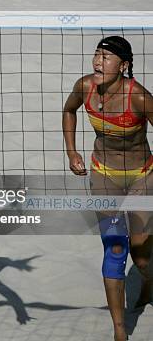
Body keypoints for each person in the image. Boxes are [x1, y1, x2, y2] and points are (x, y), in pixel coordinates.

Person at [63, 36, 153, 341]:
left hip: (141, 178)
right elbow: (69, 111)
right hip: (104, 176)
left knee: (141, 256)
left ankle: (148, 281)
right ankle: (119, 331)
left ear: (124, 65)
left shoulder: (139, 97)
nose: (98, 61)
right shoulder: (85, 86)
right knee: (115, 249)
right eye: (97, 55)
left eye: (107, 57)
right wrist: (72, 152)